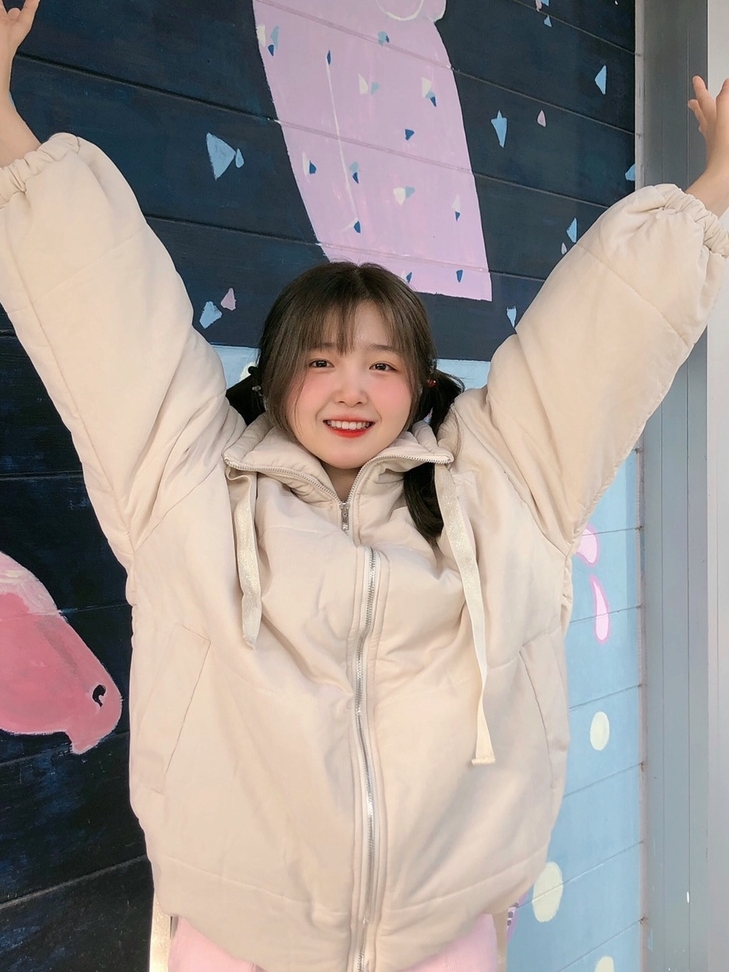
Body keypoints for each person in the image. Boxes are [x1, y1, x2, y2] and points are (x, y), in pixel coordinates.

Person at [2, 3, 729, 972]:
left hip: (444, 942)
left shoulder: (506, 481)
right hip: (238, 945)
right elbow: (103, 308)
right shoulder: (185, 484)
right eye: (321, 361)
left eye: (381, 365)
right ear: (274, 377)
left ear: (421, 384)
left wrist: (714, 188)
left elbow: (604, 331)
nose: (351, 390)